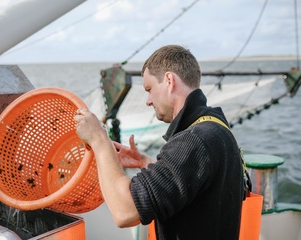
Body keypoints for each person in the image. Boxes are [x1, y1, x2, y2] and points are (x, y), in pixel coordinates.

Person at [74, 45, 244, 240]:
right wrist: (147, 164)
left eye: (149, 89)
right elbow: (195, 184)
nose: (148, 100)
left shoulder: (194, 140)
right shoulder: (216, 127)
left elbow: (125, 212)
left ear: (169, 81)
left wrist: (99, 140)